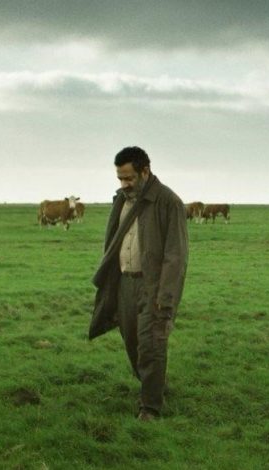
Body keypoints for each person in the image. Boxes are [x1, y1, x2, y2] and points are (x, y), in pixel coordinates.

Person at [90, 146, 188, 421]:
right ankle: (153, 386)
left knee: (151, 344)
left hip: (152, 286)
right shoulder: (121, 201)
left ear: (145, 171)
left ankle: (150, 407)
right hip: (124, 284)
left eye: (129, 178)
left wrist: (165, 297)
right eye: (120, 178)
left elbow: (176, 256)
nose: (124, 184)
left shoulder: (169, 202)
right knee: (132, 342)